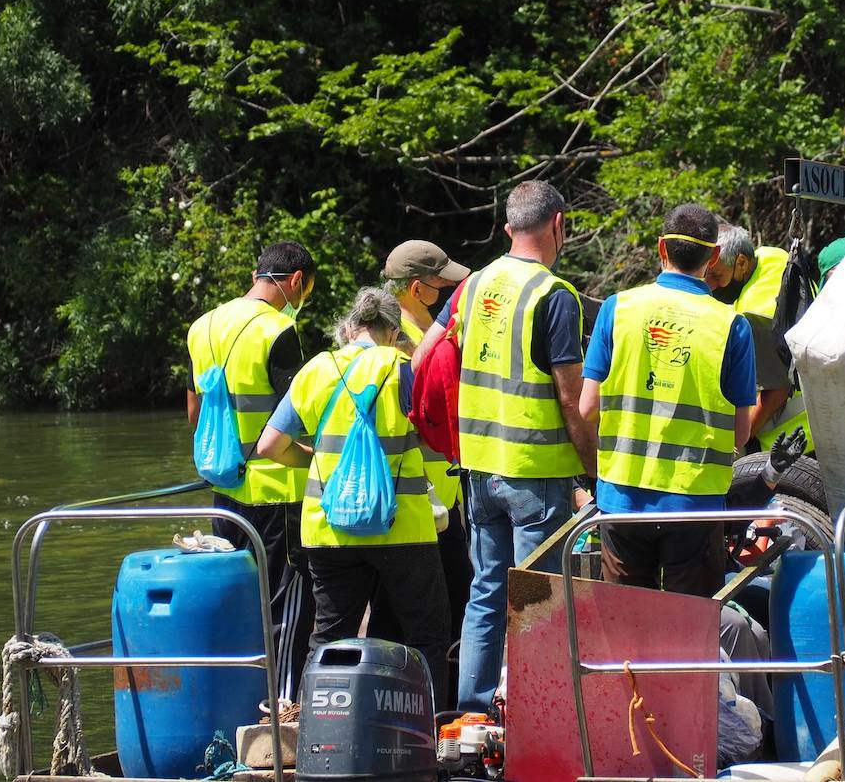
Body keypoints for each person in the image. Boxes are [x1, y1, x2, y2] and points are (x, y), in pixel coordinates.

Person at [414, 179, 597, 713]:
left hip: (477, 470)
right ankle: (534, 712)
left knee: (487, 592)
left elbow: (425, 354)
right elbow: (570, 399)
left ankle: (471, 711)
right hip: (535, 473)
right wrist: (592, 469)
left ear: (507, 228)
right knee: (537, 599)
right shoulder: (555, 296)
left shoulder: (472, 286)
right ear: (558, 225)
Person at [255, 288, 450, 700]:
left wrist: (321, 461)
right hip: (403, 528)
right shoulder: (403, 368)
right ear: (394, 331)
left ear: (349, 327)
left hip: (328, 530)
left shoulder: (317, 369)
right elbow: (441, 440)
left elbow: (269, 445)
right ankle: (425, 731)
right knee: (426, 635)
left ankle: (315, 729)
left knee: (328, 637)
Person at [581, 204, 756, 596]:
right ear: (713, 257)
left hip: (623, 497)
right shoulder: (731, 325)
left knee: (627, 625)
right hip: (694, 504)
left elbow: (587, 407)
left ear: (661, 248)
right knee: (689, 633)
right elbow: (741, 433)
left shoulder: (617, 309)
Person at [186, 240, 316, 701]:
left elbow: (194, 414)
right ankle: (281, 709)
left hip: (225, 488)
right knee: (288, 604)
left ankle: (238, 699)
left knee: (241, 602)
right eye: (307, 291)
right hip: (278, 490)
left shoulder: (201, 327)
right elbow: (297, 415)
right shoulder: (278, 330)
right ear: (296, 281)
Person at [376, 239, 472, 696]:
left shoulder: (379, 339)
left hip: (401, 506)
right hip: (426, 506)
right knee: (444, 616)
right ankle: (439, 716)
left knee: (396, 618)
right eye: (444, 288)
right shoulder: (413, 347)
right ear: (418, 289)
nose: (451, 296)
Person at [707, 226, 803, 451]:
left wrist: (738, 440)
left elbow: (775, 391)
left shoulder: (754, 314)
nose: (710, 285)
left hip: (786, 435)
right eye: (706, 275)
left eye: (717, 276)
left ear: (741, 263)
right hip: (818, 417)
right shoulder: (773, 258)